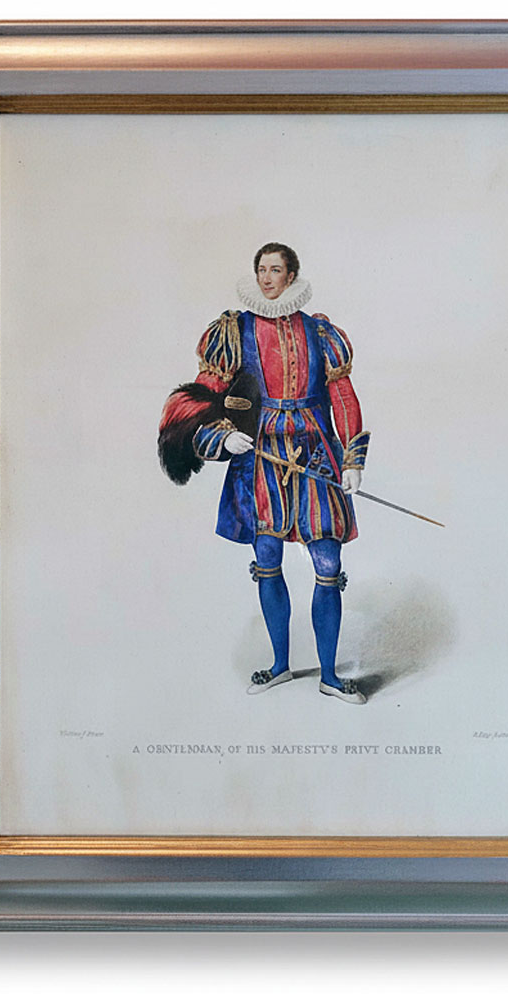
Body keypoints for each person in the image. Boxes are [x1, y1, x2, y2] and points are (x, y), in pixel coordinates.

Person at [158, 243, 370, 704]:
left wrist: (353, 460)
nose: (267, 278)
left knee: (328, 564)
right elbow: (204, 393)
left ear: (292, 276)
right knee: (268, 559)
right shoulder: (235, 331)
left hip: (315, 455)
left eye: (276, 270)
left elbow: (343, 397)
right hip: (258, 457)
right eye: (262, 270)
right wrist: (221, 436)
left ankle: (330, 675)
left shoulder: (320, 332)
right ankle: (279, 666)